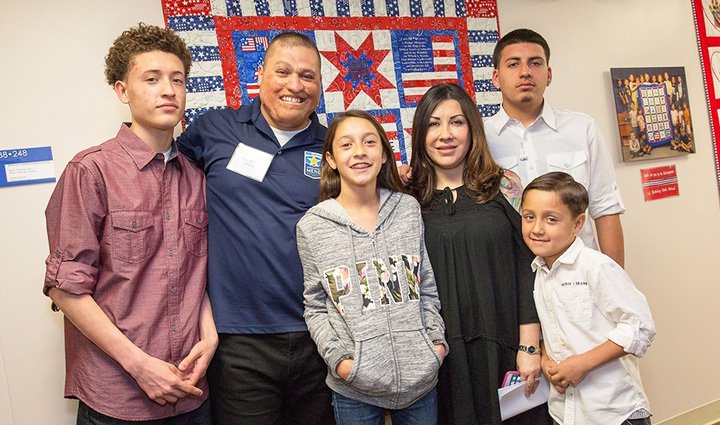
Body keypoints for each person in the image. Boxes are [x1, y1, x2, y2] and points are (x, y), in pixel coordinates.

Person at [43, 23, 216, 423]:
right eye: (151, 79)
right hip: (116, 395)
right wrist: (139, 365)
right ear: (122, 91)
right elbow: (65, 288)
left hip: (191, 391)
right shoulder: (91, 171)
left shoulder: (197, 176)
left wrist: (210, 336)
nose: (169, 90)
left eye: (177, 79)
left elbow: (195, 274)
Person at [176, 32, 333, 424]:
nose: (295, 85)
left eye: (307, 76)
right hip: (238, 341)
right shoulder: (214, 129)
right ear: (259, 75)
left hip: (322, 335)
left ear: (320, 85)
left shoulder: (335, 147)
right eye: (282, 72)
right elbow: (160, 174)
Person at [409, 83, 551, 425]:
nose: (445, 134)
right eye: (433, 124)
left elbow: (529, 268)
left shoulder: (505, 186)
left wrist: (529, 347)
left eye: (457, 122)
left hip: (505, 346)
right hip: (440, 357)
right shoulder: (406, 197)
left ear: (472, 128)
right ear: (420, 134)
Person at [297, 110, 447, 425]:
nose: (360, 152)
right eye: (347, 145)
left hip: (421, 381)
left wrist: (435, 346)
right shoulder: (313, 226)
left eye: (369, 142)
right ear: (332, 159)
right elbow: (315, 305)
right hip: (355, 389)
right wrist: (340, 361)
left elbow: (427, 286)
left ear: (383, 156)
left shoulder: (407, 209)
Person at [520, 172, 656, 425]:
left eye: (551, 219)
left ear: (578, 224)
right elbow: (557, 328)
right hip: (566, 413)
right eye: (529, 217)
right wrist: (547, 358)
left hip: (614, 412)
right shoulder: (539, 272)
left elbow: (640, 326)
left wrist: (582, 364)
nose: (536, 228)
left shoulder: (597, 267)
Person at [485, 28, 626, 267]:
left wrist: (613, 282)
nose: (525, 72)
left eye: (535, 63)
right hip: (511, 274)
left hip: (579, 274)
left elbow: (605, 208)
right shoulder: (479, 137)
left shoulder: (582, 128)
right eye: (513, 64)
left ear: (548, 74)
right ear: (496, 77)